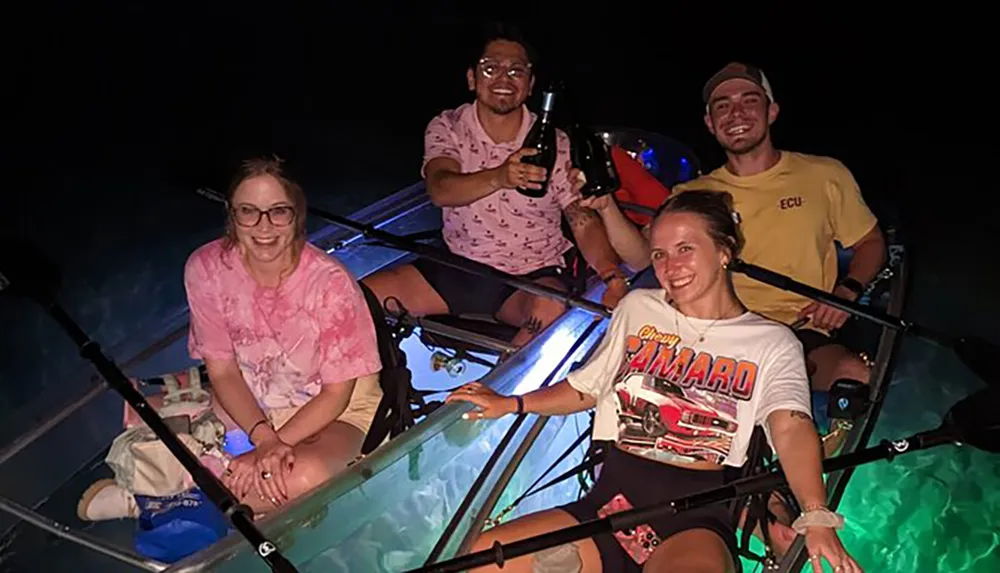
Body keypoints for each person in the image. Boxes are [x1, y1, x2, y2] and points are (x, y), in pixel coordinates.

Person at [446, 190, 861, 573]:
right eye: (659, 254)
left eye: (685, 249)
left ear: (724, 252)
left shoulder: (771, 341)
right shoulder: (638, 308)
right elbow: (586, 388)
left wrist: (816, 513)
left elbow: (790, 426)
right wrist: (510, 402)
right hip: (608, 505)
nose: (670, 267)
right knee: (476, 562)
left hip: (694, 522)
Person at [77, 157, 384, 520]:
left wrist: (275, 445)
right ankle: (211, 484)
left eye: (278, 212)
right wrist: (264, 439)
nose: (264, 226)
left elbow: (337, 395)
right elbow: (222, 372)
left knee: (304, 476)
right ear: (232, 215)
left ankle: (160, 498)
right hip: (252, 396)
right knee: (158, 419)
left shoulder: (330, 283)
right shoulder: (206, 268)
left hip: (335, 410)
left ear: (297, 214)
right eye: (249, 211)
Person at [584, 62, 885, 403]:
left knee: (858, 376)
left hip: (801, 332)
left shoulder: (824, 175)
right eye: (722, 106)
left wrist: (845, 293)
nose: (735, 113)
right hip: (711, 335)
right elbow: (641, 257)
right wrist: (606, 205)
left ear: (772, 111)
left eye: (749, 101)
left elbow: (871, 243)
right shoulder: (693, 194)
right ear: (710, 124)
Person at [362, 23, 627, 349]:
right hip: (456, 266)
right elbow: (441, 189)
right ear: (472, 78)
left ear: (530, 86)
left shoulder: (555, 142)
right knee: (356, 298)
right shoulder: (449, 125)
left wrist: (612, 276)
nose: (504, 78)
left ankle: (491, 393)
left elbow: (581, 220)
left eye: (517, 71)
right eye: (491, 68)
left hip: (530, 277)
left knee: (551, 306)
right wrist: (500, 176)